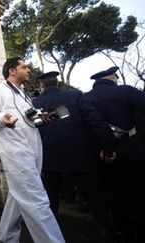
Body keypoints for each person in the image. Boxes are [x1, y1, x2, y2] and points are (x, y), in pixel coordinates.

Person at [0, 57, 65, 243]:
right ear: (12, 71)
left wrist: (42, 118)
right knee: (37, 200)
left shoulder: (24, 95)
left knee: (18, 195)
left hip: (33, 149)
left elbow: (30, 120)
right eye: (24, 67)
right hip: (16, 151)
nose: (28, 70)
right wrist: (2, 120)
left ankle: (5, 237)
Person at [33, 71, 117, 241]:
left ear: (41, 86)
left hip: (49, 158)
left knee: (50, 200)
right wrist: (108, 147)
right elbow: (95, 122)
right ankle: (106, 230)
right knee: (93, 195)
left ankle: (49, 235)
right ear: (57, 84)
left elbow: (32, 130)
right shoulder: (75, 96)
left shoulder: (34, 104)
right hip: (80, 155)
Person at [84, 66, 145, 242]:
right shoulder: (126, 91)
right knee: (136, 191)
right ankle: (136, 230)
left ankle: (117, 229)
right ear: (113, 78)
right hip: (131, 150)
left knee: (109, 192)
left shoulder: (86, 98)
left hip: (100, 153)